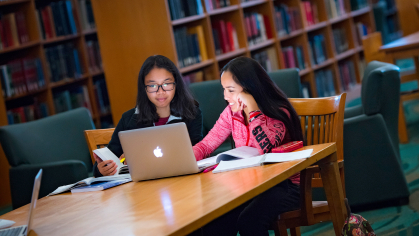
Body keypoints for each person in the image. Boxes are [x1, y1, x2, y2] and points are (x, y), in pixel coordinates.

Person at [192, 57, 304, 236]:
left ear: (249, 89)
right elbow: (207, 144)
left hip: (286, 186)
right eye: (224, 89)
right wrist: (184, 159)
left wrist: (252, 110)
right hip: (252, 187)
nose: (225, 96)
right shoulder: (231, 113)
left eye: (230, 90)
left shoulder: (278, 112)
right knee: (215, 222)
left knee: (249, 221)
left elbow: (265, 149)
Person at [93, 55, 203, 177]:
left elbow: (198, 153)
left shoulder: (192, 113)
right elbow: (107, 159)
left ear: (176, 84)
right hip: (142, 188)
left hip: (183, 181)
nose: (160, 92)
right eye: (152, 86)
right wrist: (102, 169)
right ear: (144, 88)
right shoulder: (129, 119)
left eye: (166, 84)